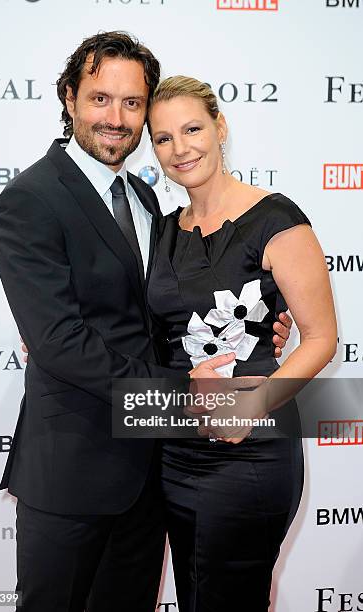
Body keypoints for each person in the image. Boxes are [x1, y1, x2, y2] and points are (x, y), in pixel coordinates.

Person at [0, 32, 292, 612]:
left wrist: (260, 327)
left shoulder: (146, 198)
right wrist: (183, 392)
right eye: (100, 98)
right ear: (68, 98)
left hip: (152, 469)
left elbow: (169, 313)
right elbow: (59, 342)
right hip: (72, 471)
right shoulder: (31, 198)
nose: (116, 118)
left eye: (132, 103)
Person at [145, 76, 338, 611]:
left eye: (192, 129)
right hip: (173, 445)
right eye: (163, 138)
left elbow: (321, 337)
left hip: (249, 451)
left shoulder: (275, 219)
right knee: (195, 593)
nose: (180, 149)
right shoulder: (162, 231)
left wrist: (249, 408)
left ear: (220, 127)